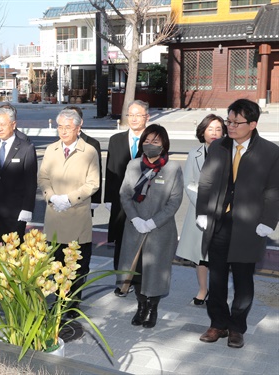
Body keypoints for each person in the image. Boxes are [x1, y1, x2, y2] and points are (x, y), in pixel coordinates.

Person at [196, 99, 279, 349]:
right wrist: (202, 212)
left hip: (249, 224)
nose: (229, 127)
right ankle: (218, 324)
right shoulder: (218, 147)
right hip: (219, 221)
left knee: (243, 280)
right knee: (217, 278)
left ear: (252, 124)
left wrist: (268, 222)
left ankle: (236, 327)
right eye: (228, 121)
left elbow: (274, 190)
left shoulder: (270, 151)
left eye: (236, 122)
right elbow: (206, 182)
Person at [118, 124, 183, 329]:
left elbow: (175, 201)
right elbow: (125, 194)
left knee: (156, 271)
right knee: (136, 270)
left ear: (164, 144)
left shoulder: (172, 168)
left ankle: (152, 308)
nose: (150, 145)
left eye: (156, 141)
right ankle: (140, 306)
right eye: (147, 141)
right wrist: (136, 219)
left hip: (160, 230)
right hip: (135, 227)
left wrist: (153, 222)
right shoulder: (133, 165)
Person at [38, 109, 100, 318]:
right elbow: (43, 178)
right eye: (60, 127)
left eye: (68, 127)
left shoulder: (89, 151)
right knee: (55, 263)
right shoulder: (51, 149)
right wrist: (51, 196)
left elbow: (93, 183)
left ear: (78, 127)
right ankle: (57, 300)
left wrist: (69, 199)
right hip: (54, 215)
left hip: (77, 215)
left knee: (77, 264)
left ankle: (72, 303)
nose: (63, 131)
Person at [176, 114, 226, 305]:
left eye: (218, 129)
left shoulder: (230, 152)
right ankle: (203, 290)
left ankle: (217, 292)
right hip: (200, 212)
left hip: (224, 212)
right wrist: (203, 207)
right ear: (203, 131)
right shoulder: (194, 153)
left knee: (219, 256)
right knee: (201, 255)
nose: (214, 133)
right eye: (210, 129)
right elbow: (189, 183)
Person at [0, 104, 37, 265]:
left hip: (15, 210)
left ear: (13, 124)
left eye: (2, 125)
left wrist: (27, 208)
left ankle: (12, 288)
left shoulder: (26, 147)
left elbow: (30, 181)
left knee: (12, 253)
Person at [105, 100, 149, 297]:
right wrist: (107, 199)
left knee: (142, 241)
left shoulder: (154, 140)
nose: (134, 118)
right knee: (121, 242)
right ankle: (122, 280)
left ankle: (140, 281)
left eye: (138, 115)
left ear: (147, 117)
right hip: (120, 201)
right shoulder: (116, 140)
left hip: (144, 201)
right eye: (130, 114)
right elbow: (111, 169)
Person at [65, 105, 102, 215]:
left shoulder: (92, 144)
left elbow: (97, 172)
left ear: (80, 122)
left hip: (84, 199)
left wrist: (95, 200)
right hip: (60, 199)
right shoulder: (56, 145)